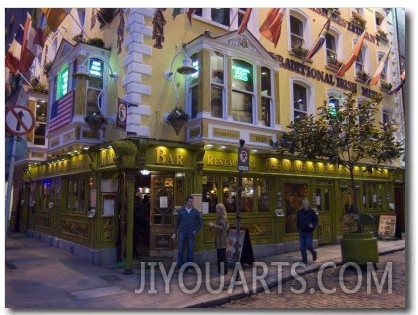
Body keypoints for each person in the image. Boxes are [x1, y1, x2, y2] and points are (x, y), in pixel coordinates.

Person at [172, 195, 203, 272]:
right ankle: (180, 267)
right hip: (182, 232)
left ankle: (189, 267)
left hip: (191, 233)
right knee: (180, 250)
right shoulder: (181, 211)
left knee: (190, 250)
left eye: (192, 201)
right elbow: (177, 223)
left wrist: (196, 230)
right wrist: (174, 233)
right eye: (190, 201)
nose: (191, 203)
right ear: (186, 202)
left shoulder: (195, 211)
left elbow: (200, 223)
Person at [208, 203, 229, 275]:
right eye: (216, 208)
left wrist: (213, 225)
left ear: (221, 209)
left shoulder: (223, 217)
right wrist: (212, 226)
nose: (216, 210)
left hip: (222, 239)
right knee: (219, 255)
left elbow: (223, 228)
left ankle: (223, 271)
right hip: (218, 238)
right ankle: (220, 270)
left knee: (222, 255)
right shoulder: (219, 217)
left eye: (217, 208)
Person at [296, 199, 318, 264]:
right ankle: (304, 260)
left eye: (305, 204)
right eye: (303, 204)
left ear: (308, 204)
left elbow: (316, 220)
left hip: (309, 232)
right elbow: (298, 220)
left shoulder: (312, 212)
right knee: (302, 247)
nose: (304, 205)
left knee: (309, 245)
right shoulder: (299, 212)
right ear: (301, 205)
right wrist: (298, 227)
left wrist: (313, 225)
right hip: (302, 231)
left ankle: (314, 253)